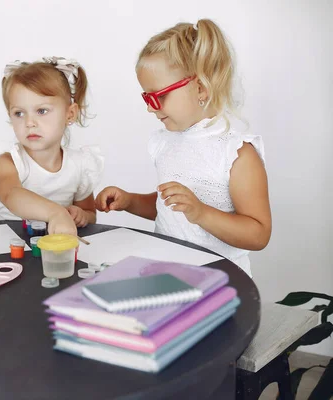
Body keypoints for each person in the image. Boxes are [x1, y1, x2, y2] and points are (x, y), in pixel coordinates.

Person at [96, 20, 271, 276]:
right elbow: (171, 209)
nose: (150, 107)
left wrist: (201, 213)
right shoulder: (166, 142)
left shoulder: (236, 153)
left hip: (221, 280)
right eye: (146, 97)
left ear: (200, 88)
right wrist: (130, 201)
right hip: (167, 272)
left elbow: (258, 234)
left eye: (158, 96)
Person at [0, 57, 103, 236]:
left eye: (41, 111)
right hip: (6, 250)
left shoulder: (80, 165)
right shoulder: (7, 162)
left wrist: (81, 215)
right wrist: (56, 212)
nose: (29, 122)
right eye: (19, 113)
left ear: (70, 114)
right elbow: (11, 195)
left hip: (51, 252)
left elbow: (90, 214)